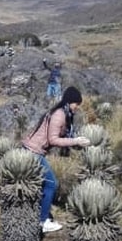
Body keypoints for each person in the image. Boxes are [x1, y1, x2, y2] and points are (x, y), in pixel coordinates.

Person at [21, 86, 91, 233]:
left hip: (31, 150)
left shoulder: (61, 112)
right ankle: (43, 221)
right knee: (52, 183)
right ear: (71, 101)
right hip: (33, 152)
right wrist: (76, 141)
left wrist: (75, 142)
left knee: (42, 185)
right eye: (76, 104)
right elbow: (53, 140)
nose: (77, 107)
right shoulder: (59, 115)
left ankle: (39, 215)